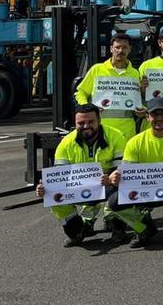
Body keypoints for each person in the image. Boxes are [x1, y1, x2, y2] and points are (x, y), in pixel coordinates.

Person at [107, 97, 163, 246]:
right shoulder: (135, 142)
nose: (159, 118)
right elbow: (125, 172)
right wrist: (116, 177)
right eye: (155, 114)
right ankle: (144, 228)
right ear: (148, 117)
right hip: (143, 191)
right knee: (114, 200)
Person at [36, 104, 126, 246]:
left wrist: (111, 177)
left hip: (108, 185)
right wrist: (44, 188)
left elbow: (122, 169)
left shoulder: (116, 136)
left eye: (91, 122)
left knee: (124, 186)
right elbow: (58, 177)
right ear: (75, 123)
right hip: (79, 189)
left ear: (99, 120)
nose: (86, 126)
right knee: (53, 194)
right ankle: (77, 231)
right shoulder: (66, 143)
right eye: (81, 123)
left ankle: (116, 224)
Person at [74, 33, 142, 143]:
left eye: (124, 47)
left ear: (130, 49)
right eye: (117, 47)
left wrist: (141, 109)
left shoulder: (134, 73)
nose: (121, 50)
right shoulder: (97, 69)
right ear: (111, 49)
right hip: (101, 127)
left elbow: (136, 99)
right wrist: (87, 108)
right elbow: (81, 92)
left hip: (127, 129)